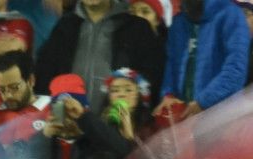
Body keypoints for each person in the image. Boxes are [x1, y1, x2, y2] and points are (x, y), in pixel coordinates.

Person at [36, 0, 164, 112]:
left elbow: (152, 77)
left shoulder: (138, 28)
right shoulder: (64, 26)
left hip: (119, 128)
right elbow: (44, 77)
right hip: (71, 127)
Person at [158, 0, 250, 117]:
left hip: (223, 118)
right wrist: (168, 94)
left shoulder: (231, 15)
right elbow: (171, 66)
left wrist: (203, 102)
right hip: (185, 120)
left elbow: (236, 70)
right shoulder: (178, 22)